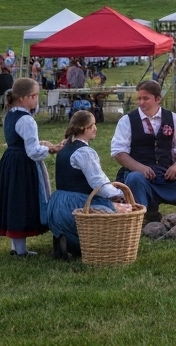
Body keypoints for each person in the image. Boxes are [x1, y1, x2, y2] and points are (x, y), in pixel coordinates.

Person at [111, 80, 176, 223]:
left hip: (166, 173)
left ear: (158, 99)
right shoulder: (127, 121)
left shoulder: (172, 118)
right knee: (134, 179)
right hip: (140, 175)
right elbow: (119, 153)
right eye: (139, 98)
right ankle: (141, 218)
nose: (141, 102)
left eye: (145, 98)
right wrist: (140, 168)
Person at [0, 78, 60, 257]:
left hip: (11, 161)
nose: (36, 99)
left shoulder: (10, 114)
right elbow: (33, 151)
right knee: (21, 202)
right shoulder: (27, 120)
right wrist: (50, 148)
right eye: (33, 96)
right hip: (23, 165)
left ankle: (17, 247)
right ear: (22, 98)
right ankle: (20, 250)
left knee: (14, 200)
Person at [46, 110, 130, 260]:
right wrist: (118, 195)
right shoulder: (84, 152)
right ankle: (89, 245)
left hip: (58, 204)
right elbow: (98, 182)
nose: (95, 128)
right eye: (93, 125)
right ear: (84, 128)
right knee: (114, 212)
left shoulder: (65, 147)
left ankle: (64, 239)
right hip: (74, 205)